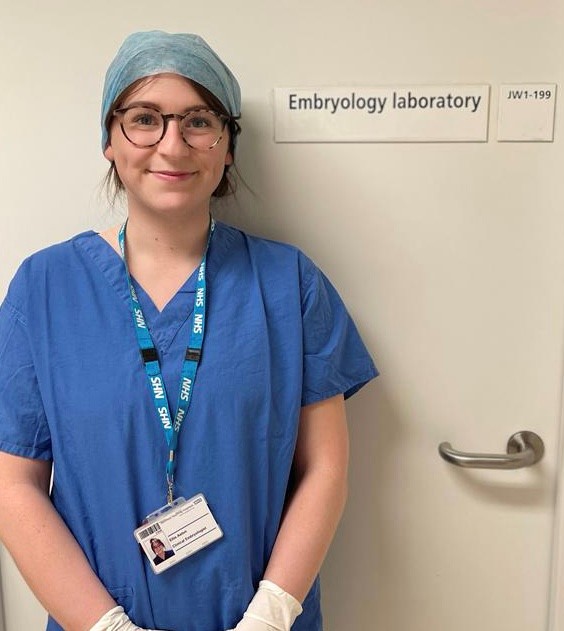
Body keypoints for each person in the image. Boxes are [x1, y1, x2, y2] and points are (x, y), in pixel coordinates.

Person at [0, 30, 377, 631]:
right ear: (109, 140)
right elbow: (14, 487)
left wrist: (272, 614)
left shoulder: (288, 284)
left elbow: (326, 468)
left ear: (227, 146)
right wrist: (104, 627)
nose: (172, 145)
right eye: (145, 119)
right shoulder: (43, 290)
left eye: (199, 121)